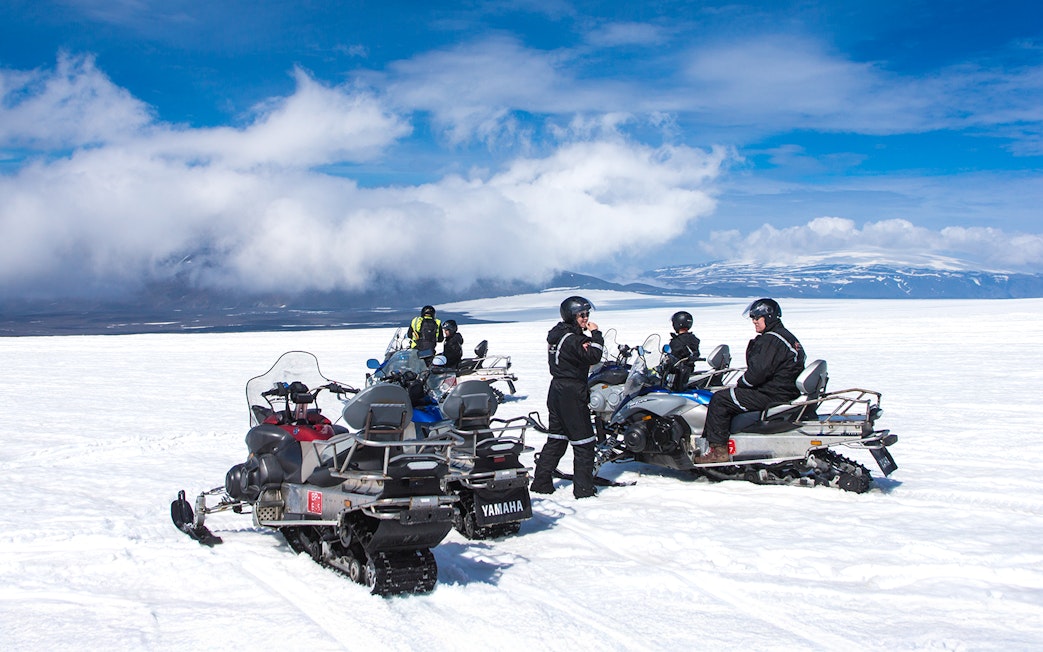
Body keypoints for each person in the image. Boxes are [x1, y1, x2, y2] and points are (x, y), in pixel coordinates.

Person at [694, 298, 806, 464]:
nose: (754, 321)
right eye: (753, 317)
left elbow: (757, 373)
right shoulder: (786, 337)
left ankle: (718, 451)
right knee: (729, 395)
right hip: (783, 391)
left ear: (769, 317)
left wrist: (742, 383)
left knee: (720, 399)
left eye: (757, 317)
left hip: (771, 394)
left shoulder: (771, 339)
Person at [531, 296, 605, 499]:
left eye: (587, 314)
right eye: (582, 315)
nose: (585, 318)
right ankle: (583, 490)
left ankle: (541, 483)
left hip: (556, 389)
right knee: (584, 443)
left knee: (557, 438)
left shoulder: (558, 334)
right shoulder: (573, 339)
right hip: (571, 392)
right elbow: (594, 356)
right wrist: (596, 334)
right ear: (571, 316)